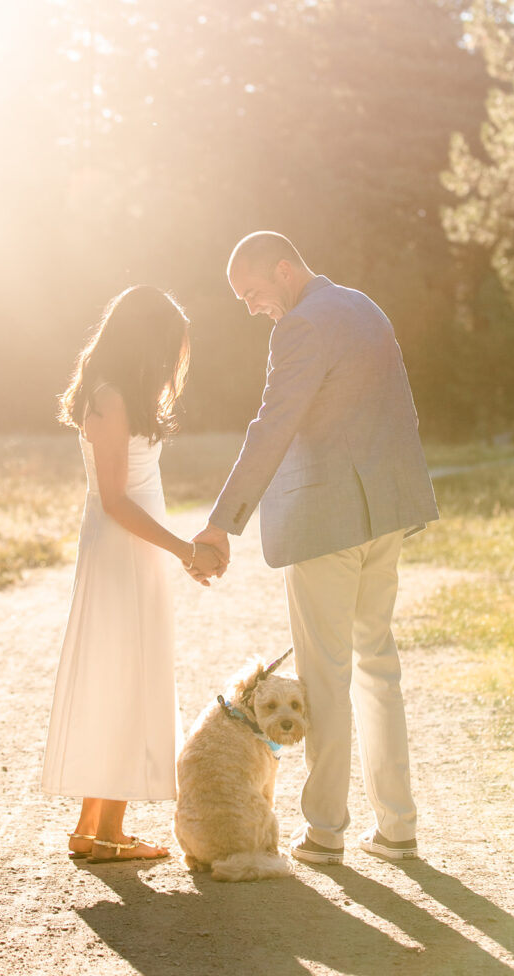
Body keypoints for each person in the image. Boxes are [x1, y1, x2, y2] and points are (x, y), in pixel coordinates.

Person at [188, 232, 439, 863]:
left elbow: (274, 425)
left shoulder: (299, 327)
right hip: (384, 516)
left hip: (326, 525)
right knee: (379, 667)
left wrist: (223, 522)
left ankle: (326, 832)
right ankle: (398, 827)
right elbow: (398, 414)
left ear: (282, 268)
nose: (251, 307)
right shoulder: (365, 308)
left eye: (252, 292)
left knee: (325, 675)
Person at [42, 285, 224, 862]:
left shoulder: (114, 393)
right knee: (125, 680)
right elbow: (117, 500)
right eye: (168, 347)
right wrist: (183, 550)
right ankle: (107, 835)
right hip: (122, 549)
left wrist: (176, 551)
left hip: (129, 551)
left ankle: (93, 828)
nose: (172, 361)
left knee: (122, 676)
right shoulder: (113, 397)